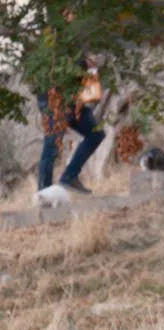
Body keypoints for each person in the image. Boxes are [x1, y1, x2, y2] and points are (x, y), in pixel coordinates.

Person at [36, 11, 105, 195]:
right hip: (53, 99)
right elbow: (62, 67)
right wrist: (86, 64)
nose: (75, 15)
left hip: (73, 98)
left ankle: (69, 176)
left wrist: (90, 64)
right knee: (52, 144)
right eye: (70, 12)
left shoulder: (76, 37)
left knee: (96, 134)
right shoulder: (53, 36)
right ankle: (44, 194)